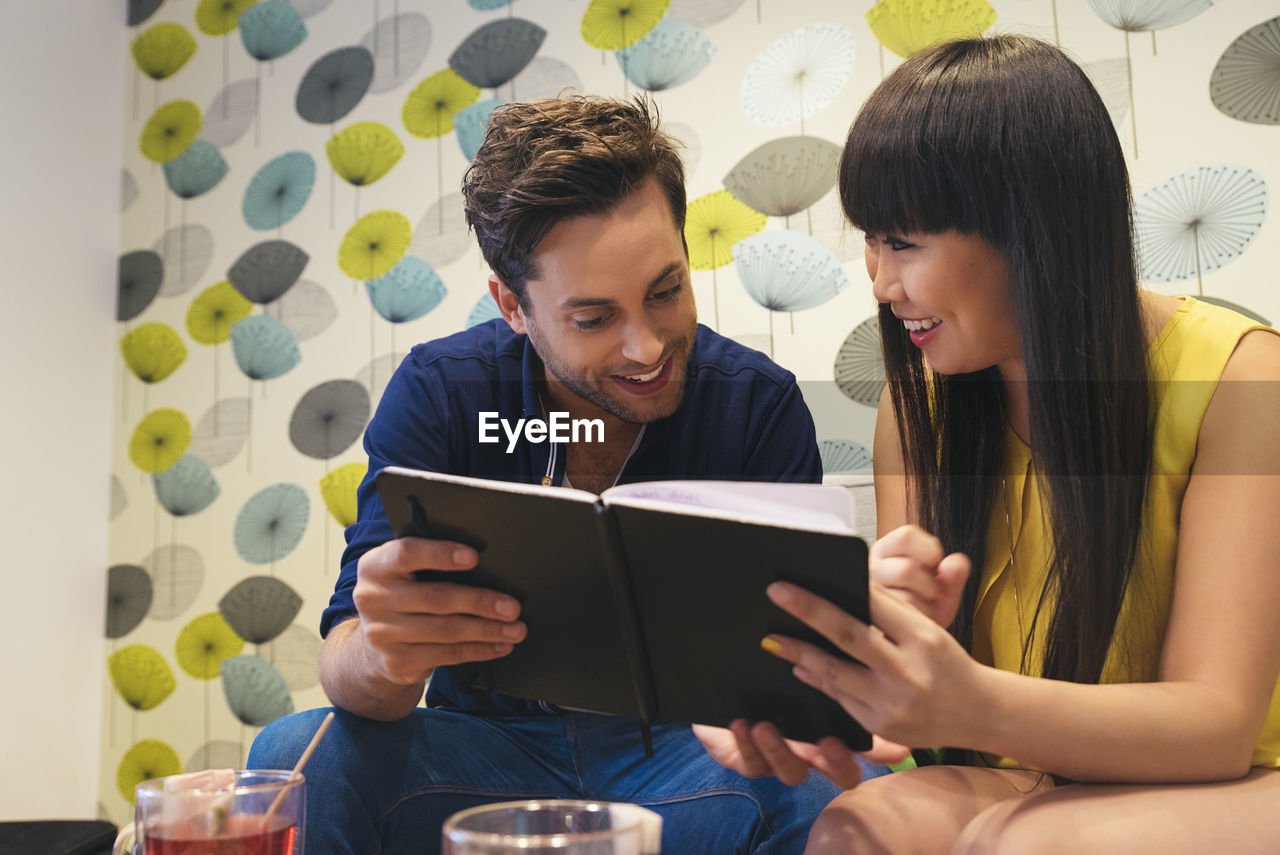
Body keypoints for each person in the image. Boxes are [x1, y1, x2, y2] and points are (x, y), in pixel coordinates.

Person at [248, 94, 883, 855]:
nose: (646, 347)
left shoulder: (757, 402)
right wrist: (384, 655)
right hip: (482, 756)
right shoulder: (442, 391)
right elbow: (348, 664)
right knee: (293, 760)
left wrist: (802, 696)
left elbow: (795, 670)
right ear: (513, 306)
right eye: (593, 319)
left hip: (691, 760)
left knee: (854, 799)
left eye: (666, 290)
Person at [695, 34, 1280, 853]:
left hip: (1239, 772)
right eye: (870, 239)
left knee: (1024, 845)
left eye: (903, 242)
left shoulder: (1241, 380)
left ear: (1030, 229)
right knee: (850, 833)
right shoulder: (918, 411)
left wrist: (966, 701)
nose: (879, 282)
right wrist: (817, 696)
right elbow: (915, 705)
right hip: (1022, 763)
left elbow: (1216, 724)